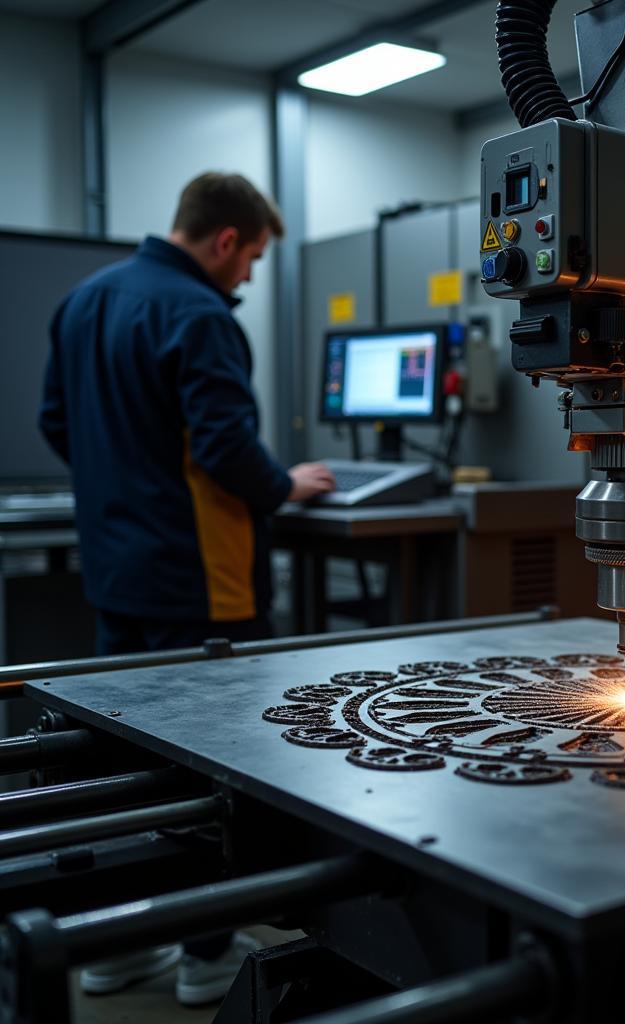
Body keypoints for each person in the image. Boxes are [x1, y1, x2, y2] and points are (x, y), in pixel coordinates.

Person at [38, 172, 335, 1005]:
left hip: (117, 574)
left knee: (115, 764)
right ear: (227, 240)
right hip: (199, 584)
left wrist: (123, 482)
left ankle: (116, 943)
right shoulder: (199, 314)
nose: (247, 281)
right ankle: (207, 952)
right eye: (253, 261)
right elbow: (226, 446)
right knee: (213, 773)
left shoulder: (85, 301)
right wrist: (285, 485)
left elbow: (56, 424)